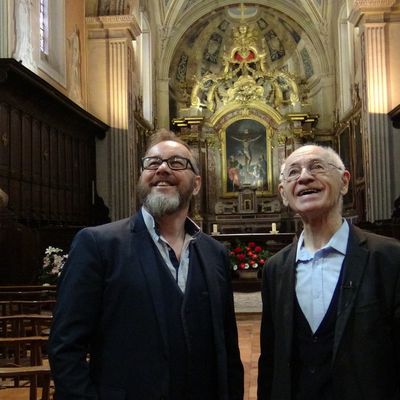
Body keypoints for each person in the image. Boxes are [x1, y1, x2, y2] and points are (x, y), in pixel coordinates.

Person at [48, 129, 244, 400]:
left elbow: (227, 349)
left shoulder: (214, 253)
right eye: (152, 163)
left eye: (176, 163)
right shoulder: (98, 244)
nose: (162, 168)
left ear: (196, 184)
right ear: (141, 178)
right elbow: (65, 346)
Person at [257, 144, 400, 400]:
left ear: (344, 182)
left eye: (317, 167)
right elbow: (271, 358)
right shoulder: (275, 269)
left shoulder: (390, 258)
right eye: (292, 172)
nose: (304, 177)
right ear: (283, 193)